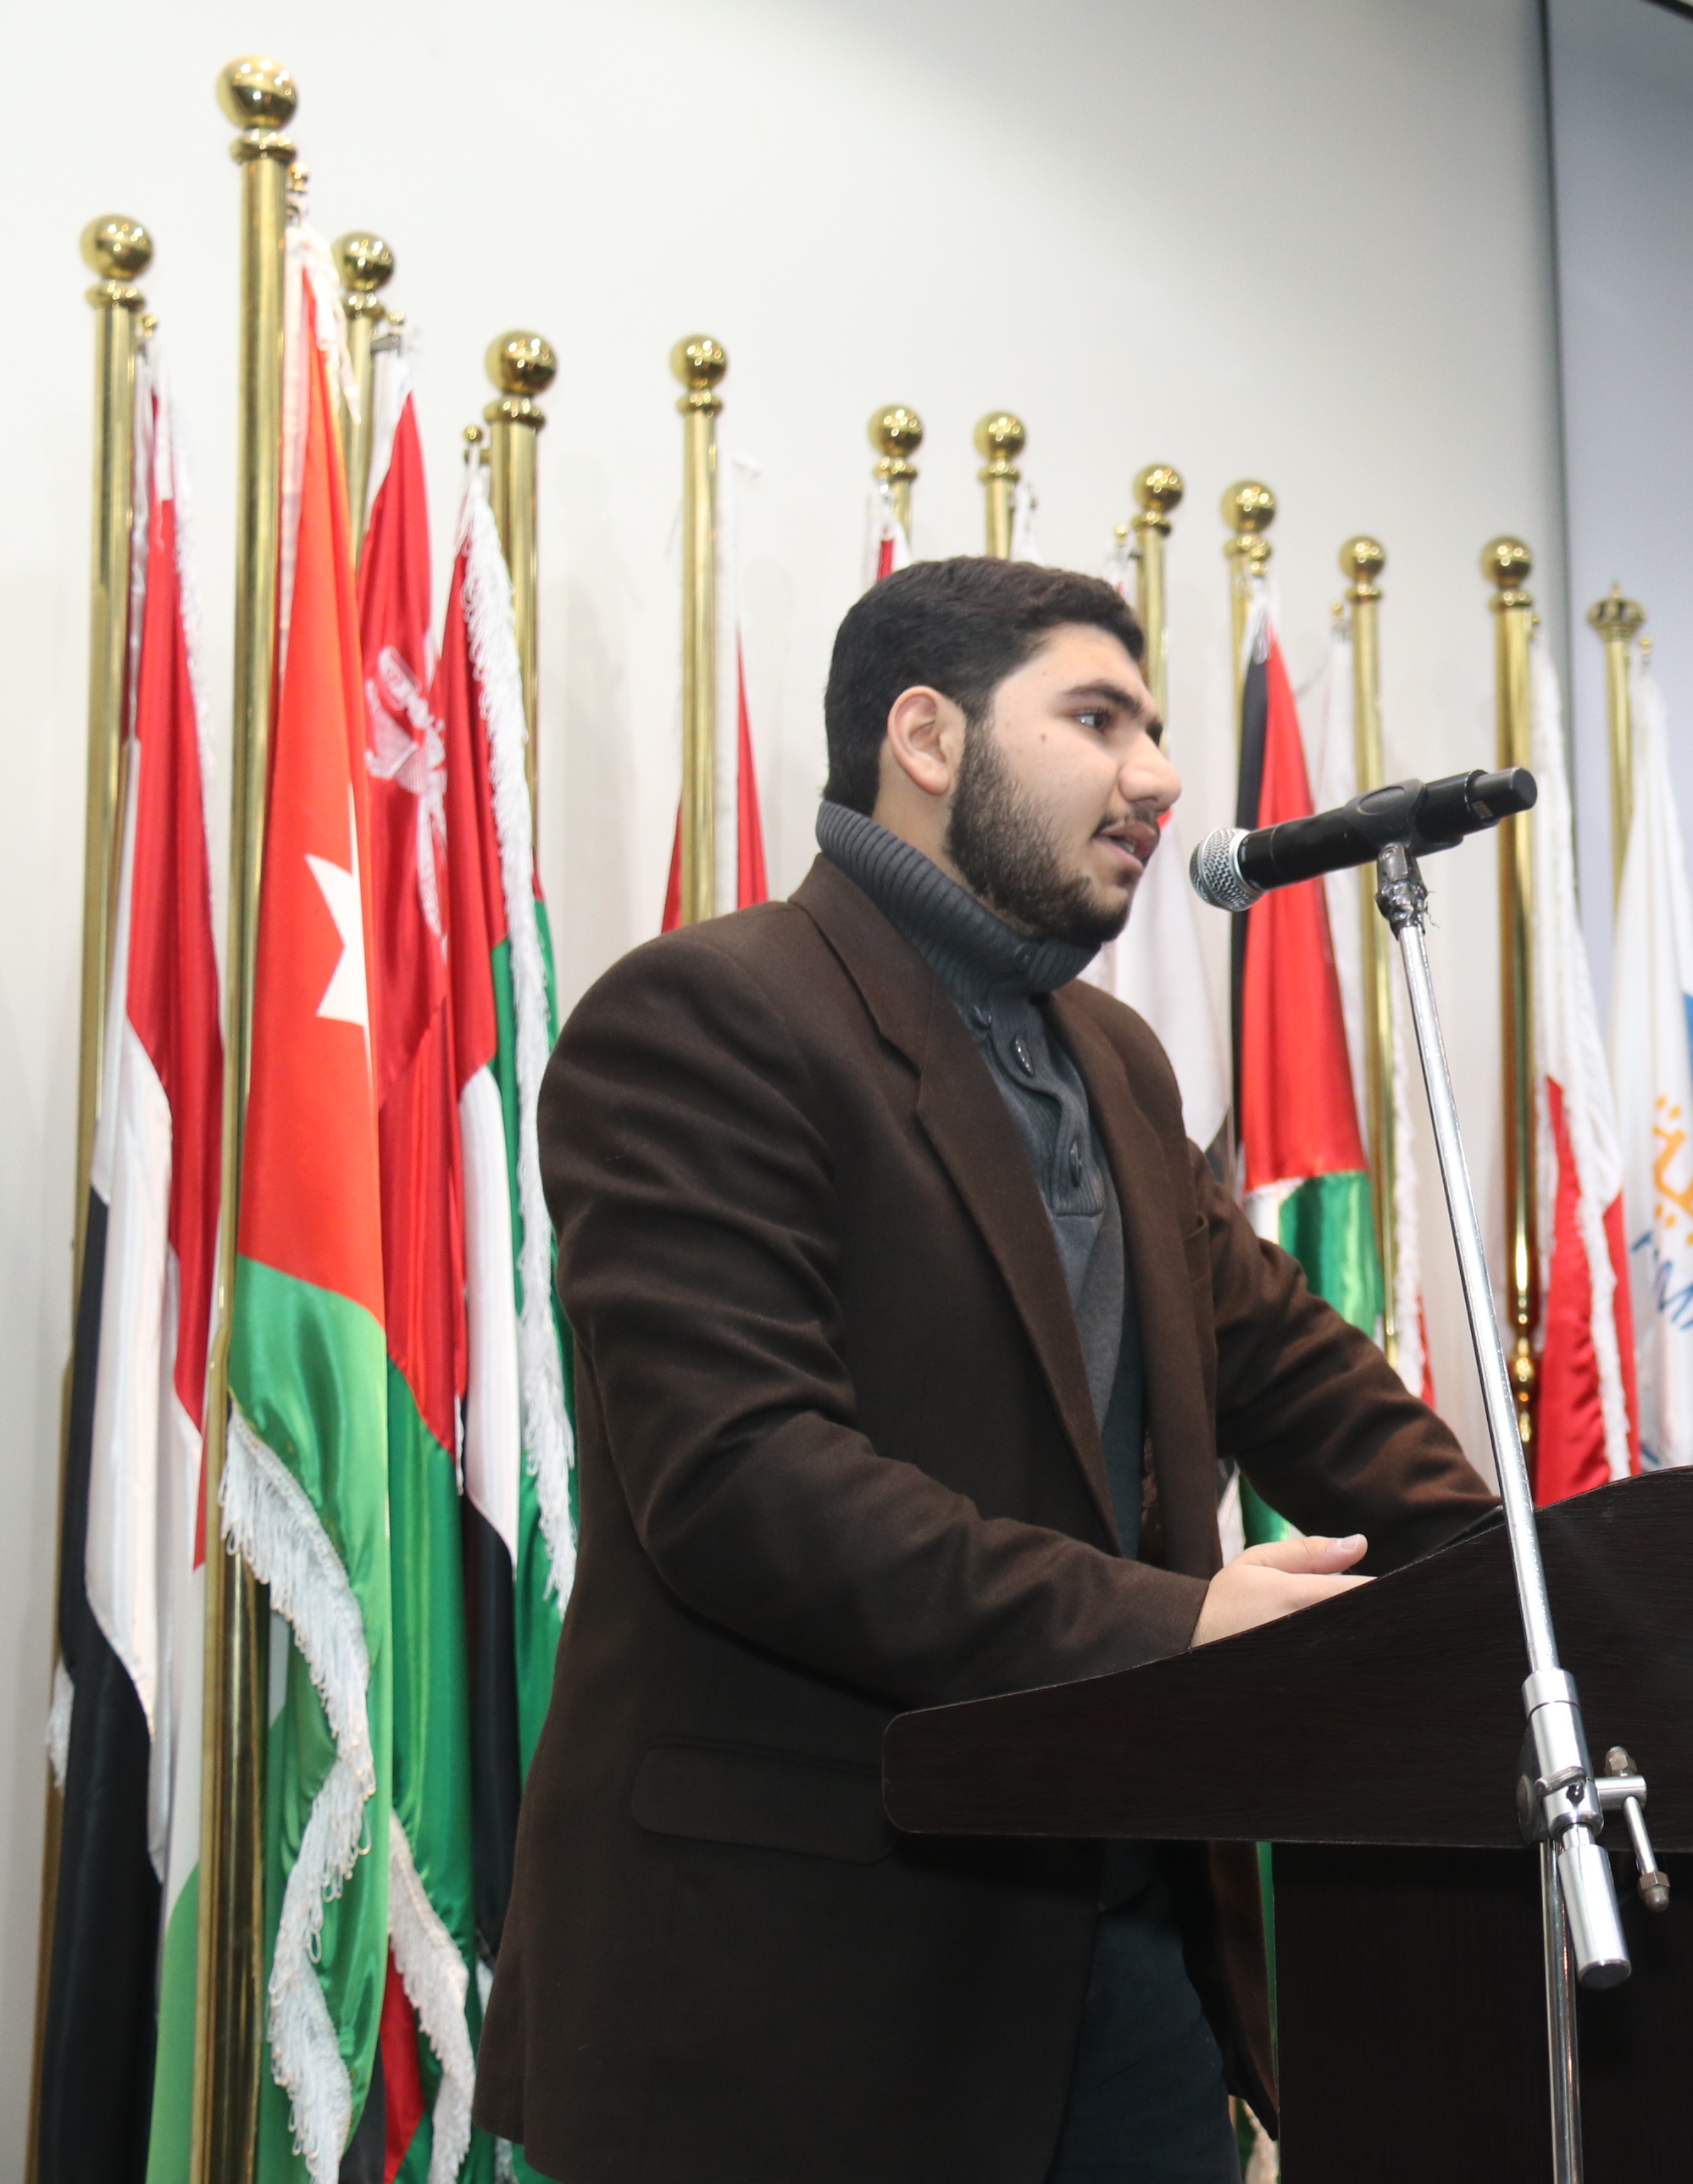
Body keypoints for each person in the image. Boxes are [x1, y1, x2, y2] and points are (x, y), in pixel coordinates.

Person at [475, 559, 1497, 2183]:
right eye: (1098, 720)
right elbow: (744, 1486)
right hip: (809, 1987)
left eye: (1153, 728)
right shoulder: (705, 1016)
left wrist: (1548, 1593)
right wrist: (1181, 1629)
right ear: (928, 739)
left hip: (1129, 1956)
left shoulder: (1116, 1060)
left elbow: (1298, 1374)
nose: (1159, 775)